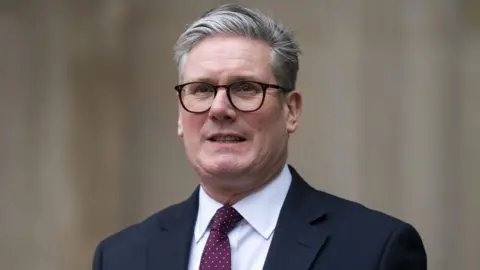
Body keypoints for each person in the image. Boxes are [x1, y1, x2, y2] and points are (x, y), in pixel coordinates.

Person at [92, 4, 427, 270]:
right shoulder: (121, 257)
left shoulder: (375, 250)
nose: (219, 108)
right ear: (180, 114)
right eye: (201, 90)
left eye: (246, 88)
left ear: (291, 110)